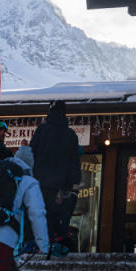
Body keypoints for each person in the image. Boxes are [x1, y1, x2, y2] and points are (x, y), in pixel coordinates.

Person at [30, 100, 81, 245]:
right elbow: (74, 161)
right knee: (59, 219)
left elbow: (32, 153)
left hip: (41, 184)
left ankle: (42, 247)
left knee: (41, 217)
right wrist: (70, 184)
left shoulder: (42, 130)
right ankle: (57, 246)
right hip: (61, 187)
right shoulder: (71, 135)